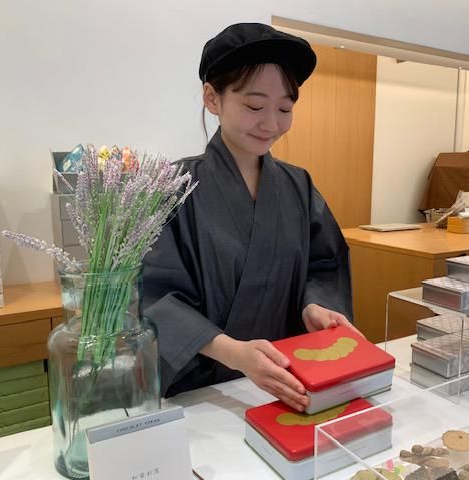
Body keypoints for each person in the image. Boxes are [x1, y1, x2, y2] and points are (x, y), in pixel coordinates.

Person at [143, 23, 354, 412]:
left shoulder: (298, 185)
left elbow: (324, 265)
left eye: (285, 109)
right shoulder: (172, 186)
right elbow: (153, 295)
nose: (271, 124)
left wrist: (314, 306)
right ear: (213, 98)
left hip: (288, 377)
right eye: (255, 106)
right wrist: (235, 353)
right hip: (204, 389)